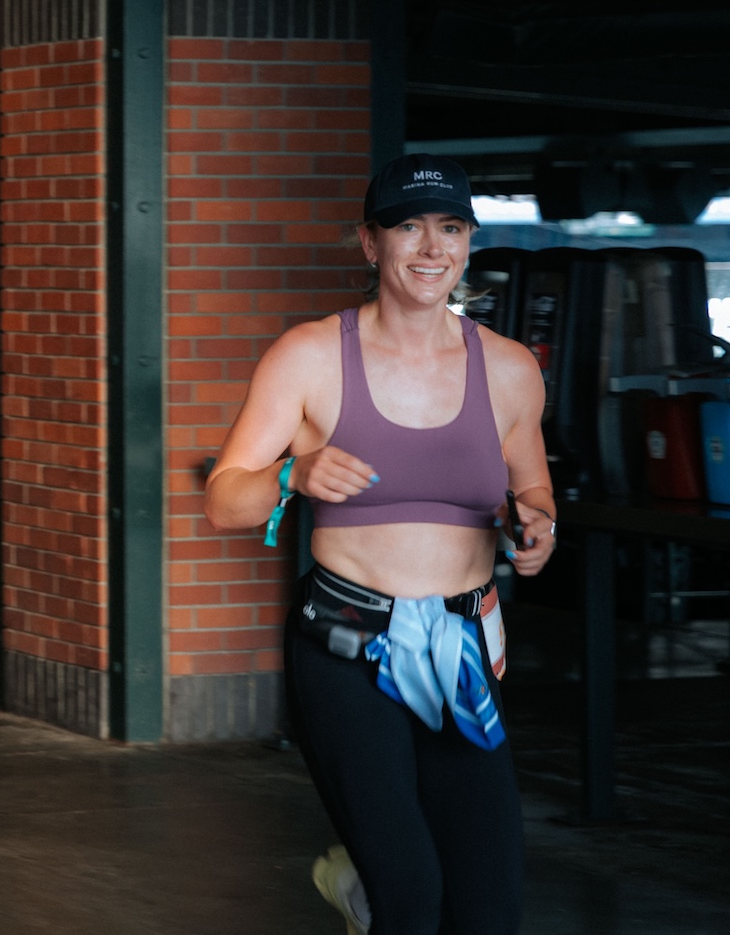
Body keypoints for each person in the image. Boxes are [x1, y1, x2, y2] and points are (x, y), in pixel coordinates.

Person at [203, 154, 557, 935]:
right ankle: (378, 892)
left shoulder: (507, 368)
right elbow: (224, 500)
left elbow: (532, 491)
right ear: (370, 245)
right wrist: (293, 474)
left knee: (490, 907)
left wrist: (536, 530)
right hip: (348, 648)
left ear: (467, 244)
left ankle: (365, 889)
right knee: (411, 896)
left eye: (451, 228)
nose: (431, 248)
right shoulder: (310, 356)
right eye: (408, 227)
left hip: (463, 645)